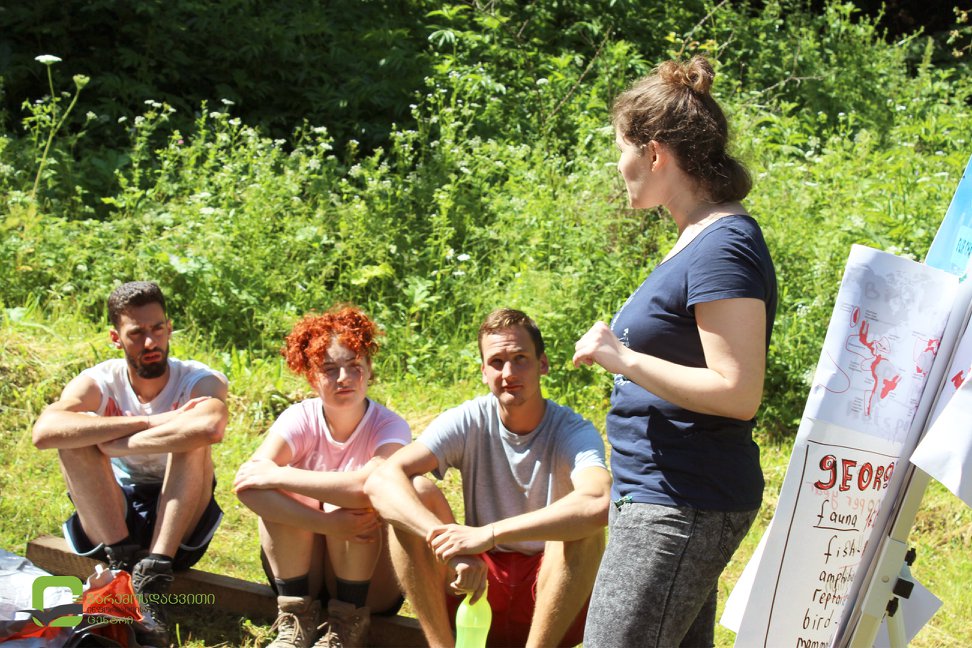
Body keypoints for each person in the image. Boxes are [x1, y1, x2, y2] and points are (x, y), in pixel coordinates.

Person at [572, 55, 778, 647]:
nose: (619, 166)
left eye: (622, 150)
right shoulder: (697, 238)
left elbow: (737, 392)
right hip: (661, 495)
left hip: (680, 500)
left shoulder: (723, 247)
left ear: (655, 153)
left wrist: (623, 358)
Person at [365, 308, 611, 648]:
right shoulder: (469, 419)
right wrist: (449, 547)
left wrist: (490, 533)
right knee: (415, 492)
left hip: (553, 596)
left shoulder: (572, 431)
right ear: (483, 372)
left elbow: (600, 500)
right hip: (475, 586)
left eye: (520, 359)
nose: (508, 373)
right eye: (497, 362)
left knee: (583, 530)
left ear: (542, 364)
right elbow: (381, 479)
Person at [32, 281, 229, 646]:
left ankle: (151, 580)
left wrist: (113, 445)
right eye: (137, 333)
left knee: (192, 439)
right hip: (112, 522)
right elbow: (44, 432)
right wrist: (151, 421)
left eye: (158, 329)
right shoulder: (100, 380)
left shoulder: (198, 379)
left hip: (180, 526)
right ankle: (122, 572)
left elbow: (210, 427)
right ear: (116, 338)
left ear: (169, 328)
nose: (151, 343)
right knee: (73, 438)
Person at [234, 306, 410, 648]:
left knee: (343, 499)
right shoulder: (299, 419)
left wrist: (281, 475)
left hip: (371, 582)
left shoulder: (390, 426)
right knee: (285, 497)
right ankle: (295, 620)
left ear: (369, 371)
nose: (344, 378)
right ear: (311, 377)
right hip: (305, 575)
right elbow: (247, 486)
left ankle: (347, 625)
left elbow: (368, 488)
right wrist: (327, 523)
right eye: (330, 369)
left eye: (355, 367)